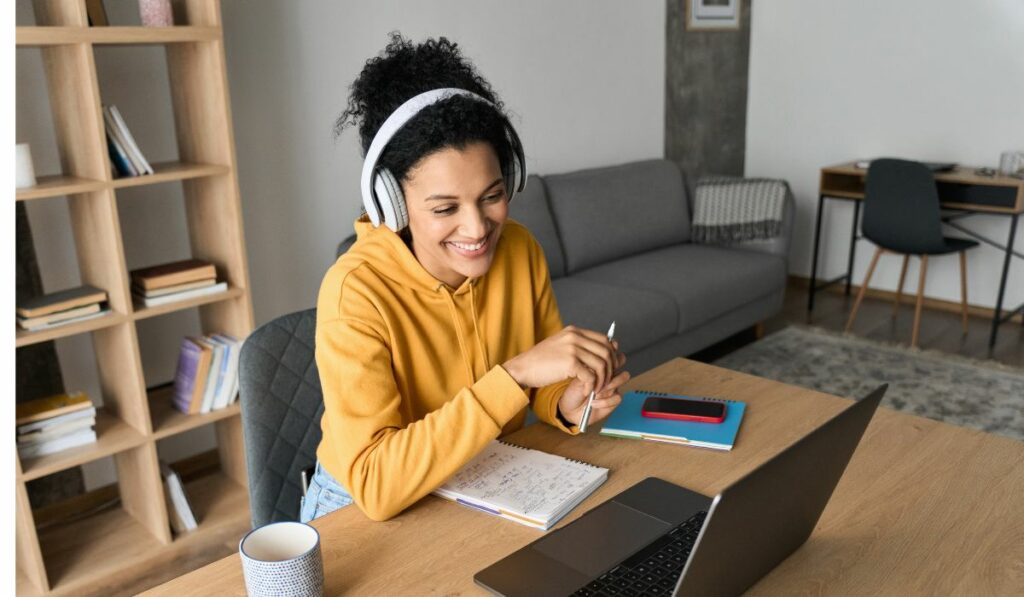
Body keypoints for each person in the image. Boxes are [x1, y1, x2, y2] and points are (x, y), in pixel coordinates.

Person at [302, 34, 628, 523]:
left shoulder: (519, 249)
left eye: (492, 196)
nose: (478, 228)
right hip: (362, 507)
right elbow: (376, 482)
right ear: (392, 206)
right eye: (445, 208)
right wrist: (514, 375)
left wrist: (567, 400)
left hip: (484, 476)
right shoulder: (355, 293)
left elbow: (541, 386)